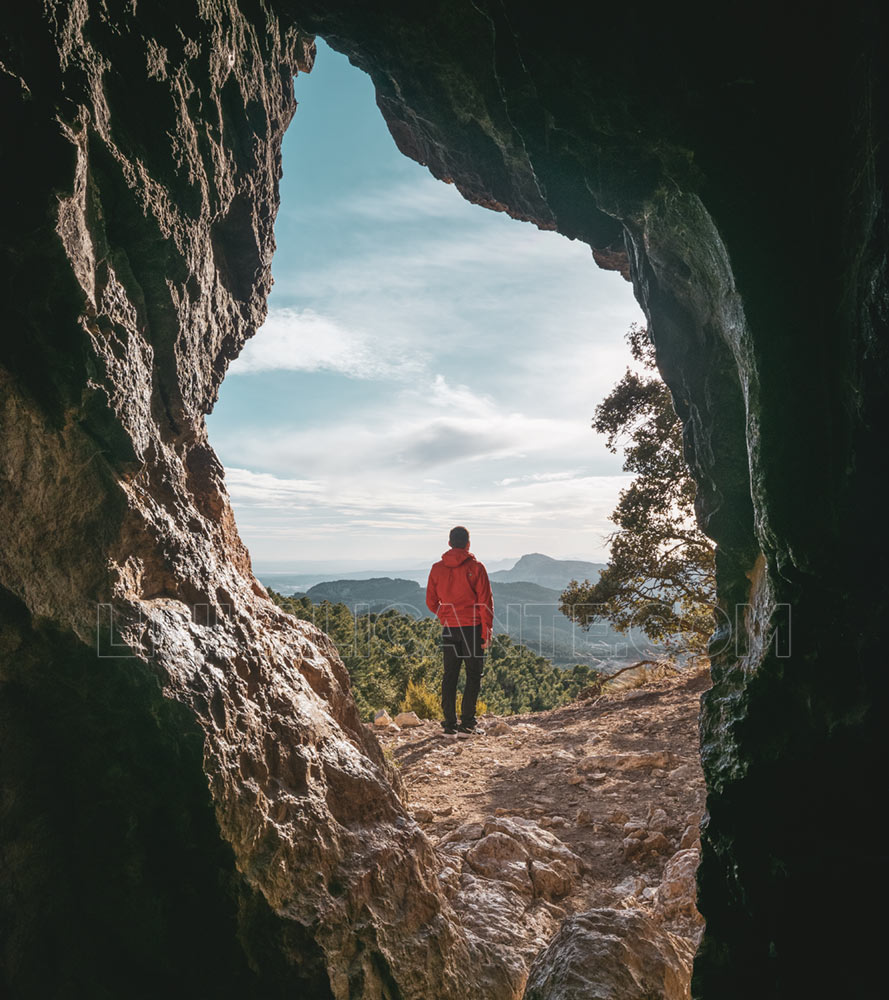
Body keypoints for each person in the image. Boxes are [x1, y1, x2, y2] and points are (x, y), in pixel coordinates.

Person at [425, 526, 494, 735]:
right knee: (473, 675)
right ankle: (467, 724)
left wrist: (444, 615)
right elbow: (485, 602)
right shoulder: (476, 567)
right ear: (468, 544)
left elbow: (430, 601)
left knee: (450, 675)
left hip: (449, 628)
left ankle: (449, 725)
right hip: (472, 628)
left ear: (449, 543)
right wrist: (486, 631)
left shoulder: (437, 568)